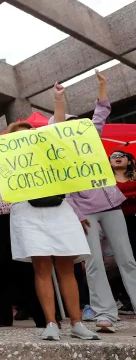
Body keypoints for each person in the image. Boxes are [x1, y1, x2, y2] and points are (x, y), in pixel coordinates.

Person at [4, 82, 99, 341]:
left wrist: (58, 100)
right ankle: (51, 323)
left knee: (67, 268)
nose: (24, 137)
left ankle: (77, 322)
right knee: (42, 269)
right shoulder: (9, 163)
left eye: (28, 133)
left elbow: (58, 129)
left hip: (59, 209)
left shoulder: (50, 153)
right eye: (18, 135)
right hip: (27, 213)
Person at [52, 72, 136, 334]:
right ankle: (105, 315)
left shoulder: (93, 138)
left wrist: (102, 84)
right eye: (69, 126)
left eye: (78, 125)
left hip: (111, 207)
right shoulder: (60, 154)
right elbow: (63, 188)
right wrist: (58, 100)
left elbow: (101, 110)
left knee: (127, 259)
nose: (76, 128)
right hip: (85, 213)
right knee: (93, 263)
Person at [0, 147, 46, 328]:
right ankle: (2, 315)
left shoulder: (8, 174)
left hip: (12, 222)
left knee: (22, 269)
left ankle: (40, 315)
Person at [110, 150, 136, 258]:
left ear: (129, 161)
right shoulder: (107, 181)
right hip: (118, 220)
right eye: (113, 156)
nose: (117, 157)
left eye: (121, 155)